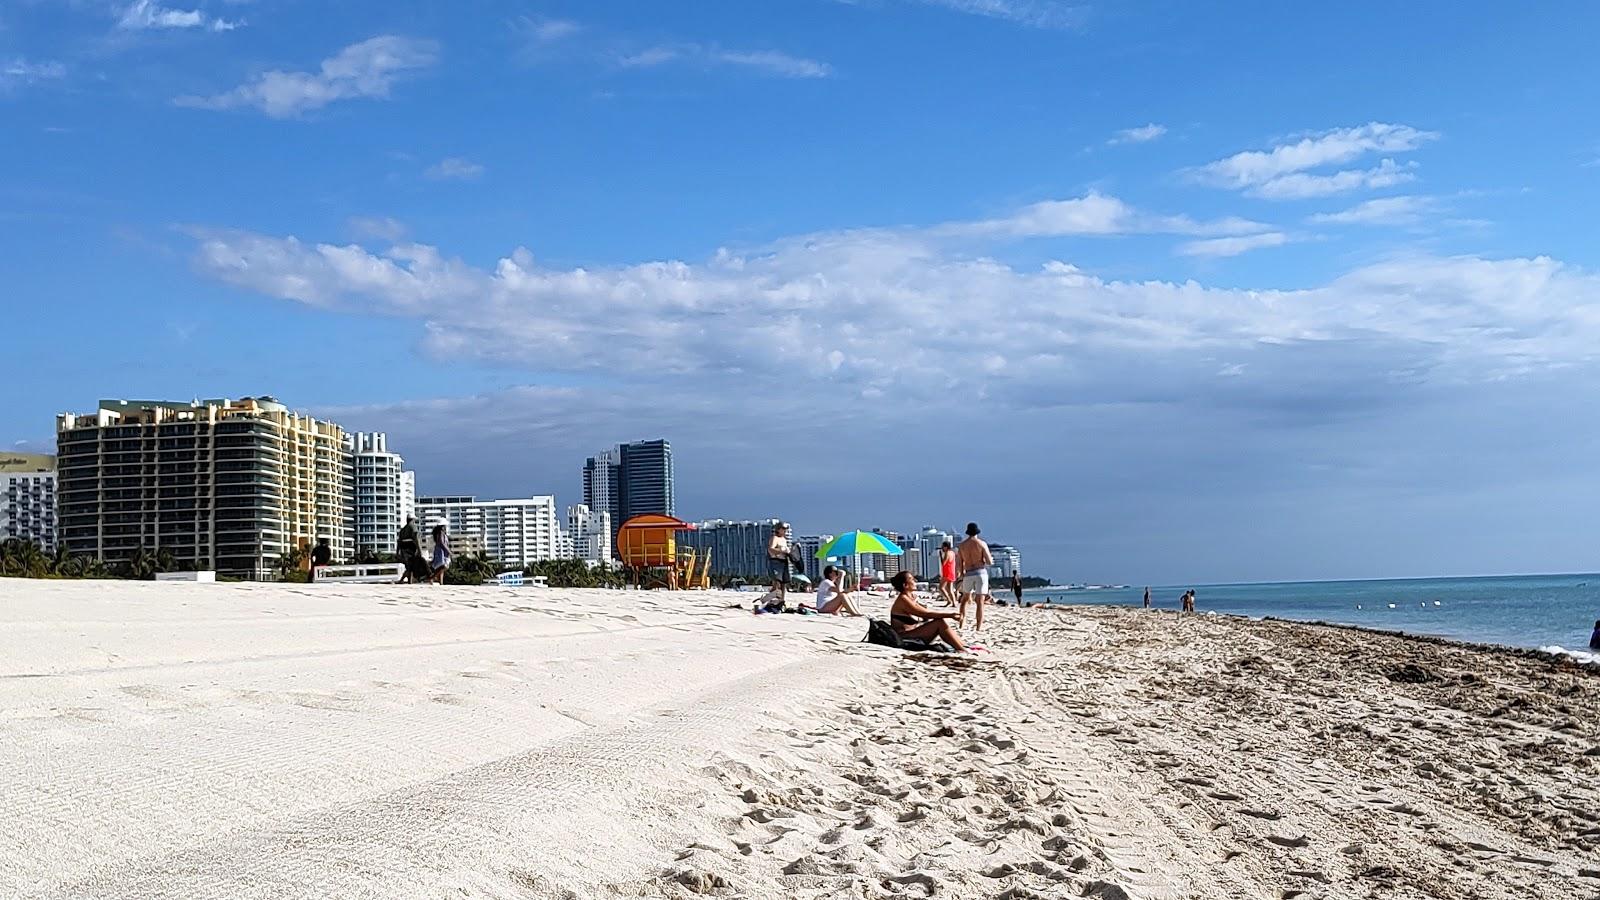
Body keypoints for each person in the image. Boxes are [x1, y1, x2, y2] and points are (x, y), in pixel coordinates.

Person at [887, 570, 967, 652]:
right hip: (904, 638)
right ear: (905, 585)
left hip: (911, 634)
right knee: (939, 623)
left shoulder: (910, 598)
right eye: (911, 579)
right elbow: (925, 614)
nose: (915, 581)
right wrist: (950, 615)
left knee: (939, 622)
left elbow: (925, 613)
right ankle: (961, 649)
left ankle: (963, 646)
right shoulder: (903, 600)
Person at [956, 522, 994, 631]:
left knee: (964, 599)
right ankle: (978, 626)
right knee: (980, 601)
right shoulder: (981, 544)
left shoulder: (962, 546)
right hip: (980, 572)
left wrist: (961, 574)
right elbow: (989, 561)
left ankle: (961, 621)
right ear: (977, 532)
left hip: (968, 573)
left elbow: (959, 563)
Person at [396, 517, 420, 584]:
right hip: (410, 548)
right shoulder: (413, 527)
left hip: (403, 548)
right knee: (411, 566)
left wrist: (397, 552)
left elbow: (399, 541)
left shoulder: (403, 529)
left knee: (409, 565)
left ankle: (409, 581)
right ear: (412, 520)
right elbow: (416, 539)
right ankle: (404, 580)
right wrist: (419, 549)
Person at [937, 541, 958, 606]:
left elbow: (943, 563)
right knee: (950, 589)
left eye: (943, 547)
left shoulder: (947, 553)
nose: (942, 548)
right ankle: (954, 602)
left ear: (946, 547)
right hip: (951, 572)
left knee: (941, 587)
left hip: (947, 572)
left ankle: (949, 600)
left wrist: (940, 556)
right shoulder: (952, 553)